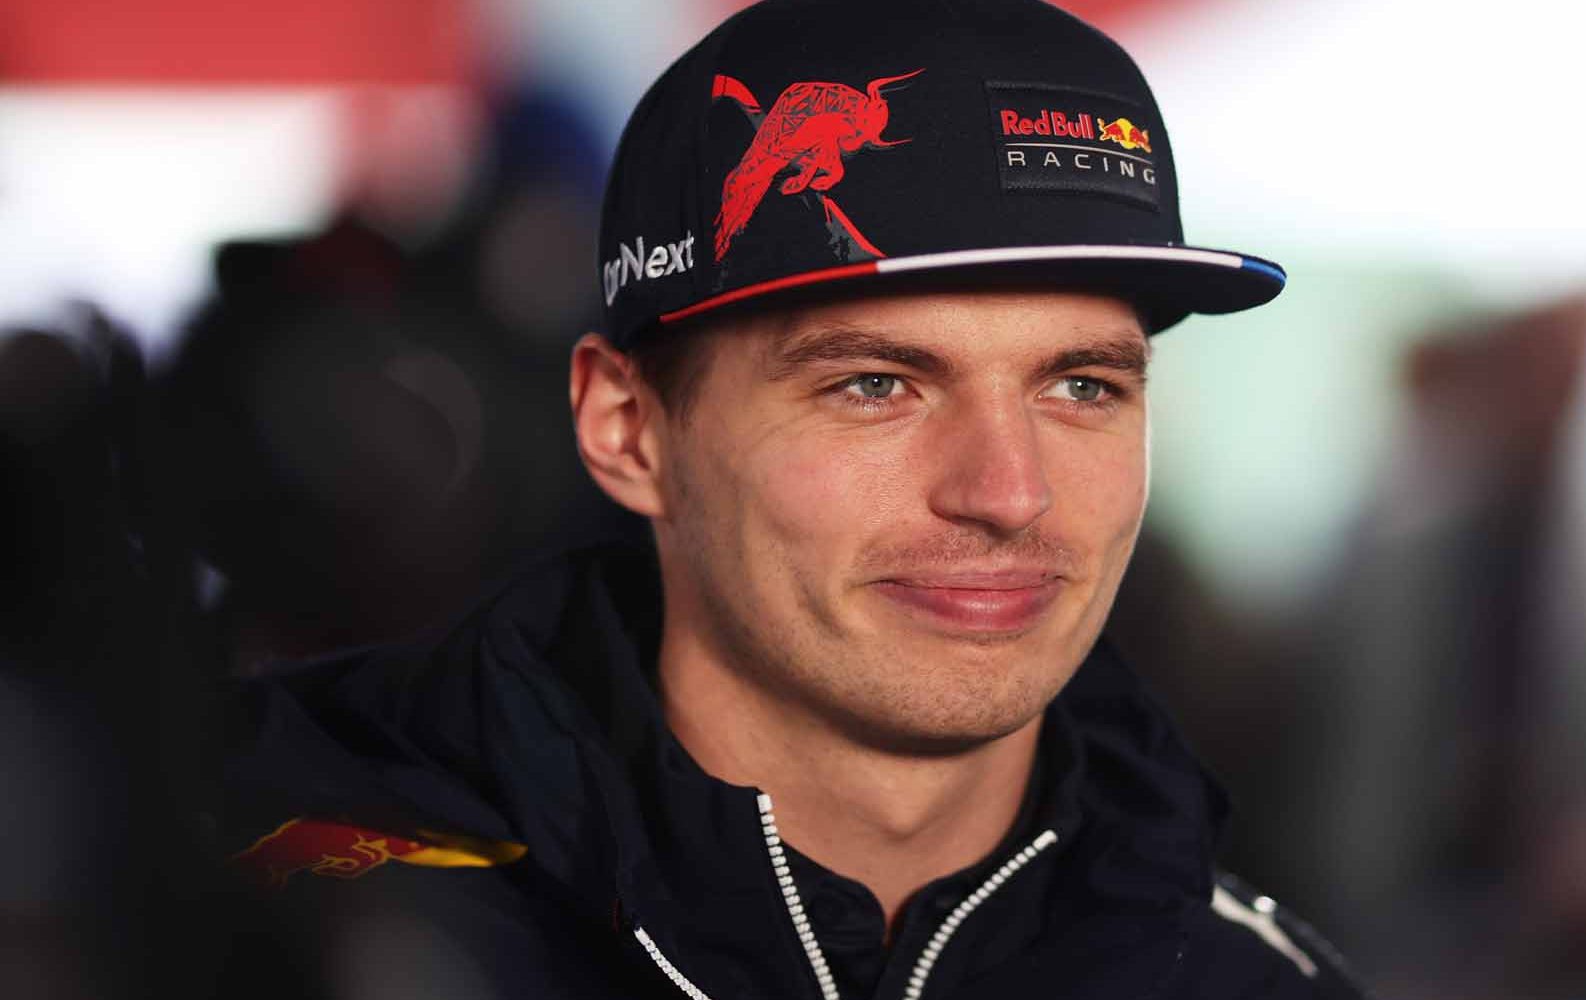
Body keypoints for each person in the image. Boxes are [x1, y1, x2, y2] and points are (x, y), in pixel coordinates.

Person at [220, 1, 1367, 997]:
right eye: (876, 384)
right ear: (627, 428)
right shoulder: (287, 927)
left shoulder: (1258, 985)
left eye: (1082, 384)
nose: (1009, 492)